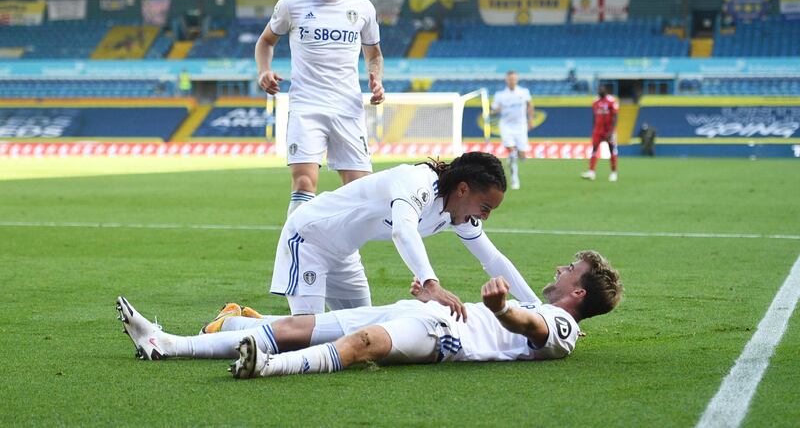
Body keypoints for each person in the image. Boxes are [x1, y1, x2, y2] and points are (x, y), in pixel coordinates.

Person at [115, 250, 623, 379]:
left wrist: (502, 308)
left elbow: (529, 328)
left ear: (578, 294)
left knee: (363, 345)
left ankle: (268, 367)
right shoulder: (544, 306)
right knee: (292, 327)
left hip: (445, 339)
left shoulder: (564, 325)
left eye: (570, 269)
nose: (560, 268)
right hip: (426, 312)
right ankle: (165, 343)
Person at [268, 151, 534, 317]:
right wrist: (431, 284)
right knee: (304, 335)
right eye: (485, 207)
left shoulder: (458, 213)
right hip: (308, 239)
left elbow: (493, 260)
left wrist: (537, 306)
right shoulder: (417, 182)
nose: (484, 217)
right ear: (463, 190)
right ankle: (235, 323)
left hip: (344, 254)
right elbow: (403, 230)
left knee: (358, 331)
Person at [255, 0, 385, 216]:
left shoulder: (363, 8)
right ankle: (296, 253)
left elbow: (374, 54)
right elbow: (265, 42)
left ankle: (345, 256)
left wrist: (376, 79)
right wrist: (264, 70)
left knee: (360, 190)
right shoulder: (292, 4)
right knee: (303, 183)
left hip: (348, 108)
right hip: (307, 106)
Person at [490, 70, 534, 190]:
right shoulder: (500, 95)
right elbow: (493, 110)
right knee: (512, 152)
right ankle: (514, 178)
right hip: (506, 126)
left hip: (521, 125)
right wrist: (494, 111)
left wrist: (531, 120)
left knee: (522, 155)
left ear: (517, 80)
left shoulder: (524, 92)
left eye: (514, 79)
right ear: (506, 80)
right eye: (510, 79)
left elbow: (530, 105)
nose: (512, 81)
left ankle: (515, 158)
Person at [581, 85, 619, 182]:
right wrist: (594, 129)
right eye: (598, 90)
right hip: (598, 131)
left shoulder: (611, 101)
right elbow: (594, 116)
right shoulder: (595, 102)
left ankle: (613, 173)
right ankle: (591, 172)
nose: (599, 91)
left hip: (609, 131)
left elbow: (615, 116)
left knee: (612, 150)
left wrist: (611, 131)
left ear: (605, 90)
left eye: (601, 89)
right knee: (594, 150)